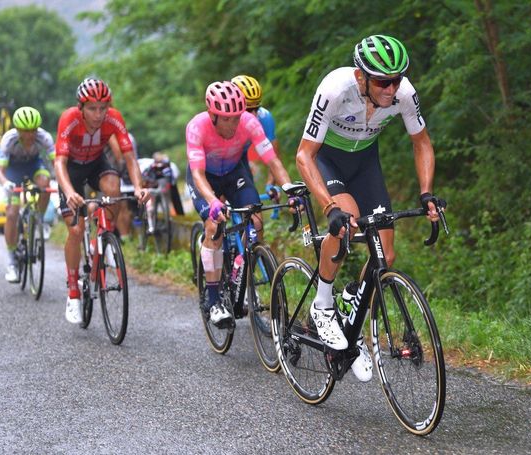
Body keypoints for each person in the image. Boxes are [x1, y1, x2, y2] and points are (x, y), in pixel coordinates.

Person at [294, 35, 442, 382]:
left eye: (397, 80)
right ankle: (323, 304)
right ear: (362, 77)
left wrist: (426, 192)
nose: (392, 89)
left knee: (385, 257)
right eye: (383, 81)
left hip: (365, 164)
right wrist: (329, 207)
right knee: (347, 225)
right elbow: (304, 155)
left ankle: (352, 307)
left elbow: (422, 144)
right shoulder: (335, 88)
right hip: (328, 161)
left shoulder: (404, 94)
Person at [186, 80, 295, 327]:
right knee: (213, 228)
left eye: (237, 116)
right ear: (212, 115)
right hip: (206, 178)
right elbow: (197, 175)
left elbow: (273, 161)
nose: (234, 124)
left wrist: (290, 190)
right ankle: (213, 300)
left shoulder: (249, 122)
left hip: (234, 172)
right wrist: (213, 201)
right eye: (226, 119)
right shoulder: (197, 127)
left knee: (256, 221)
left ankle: (241, 270)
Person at [54, 77, 148, 324]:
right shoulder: (69, 119)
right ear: (81, 107)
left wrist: (138, 187)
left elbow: (129, 157)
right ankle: (73, 291)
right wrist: (69, 191)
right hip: (71, 171)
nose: (98, 114)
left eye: (103, 108)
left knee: (113, 186)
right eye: (92, 108)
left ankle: (103, 238)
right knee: (76, 230)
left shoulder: (114, 118)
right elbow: (59, 163)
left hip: (96, 163)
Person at [0, 106, 55, 282]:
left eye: (33, 130)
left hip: (34, 167)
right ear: (18, 129)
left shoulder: (44, 137)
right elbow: (0, 171)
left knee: (45, 184)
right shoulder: (9, 139)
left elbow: (56, 163)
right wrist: (6, 183)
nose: (30, 135)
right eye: (25, 131)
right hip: (12, 172)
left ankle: (38, 218)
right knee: (12, 213)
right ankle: (12, 260)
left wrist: (62, 182)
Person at [231, 75, 281, 188]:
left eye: (256, 108)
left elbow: (274, 157)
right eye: (248, 110)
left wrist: (270, 183)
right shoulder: (222, 123)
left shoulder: (264, 117)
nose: (254, 115)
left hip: (241, 159)